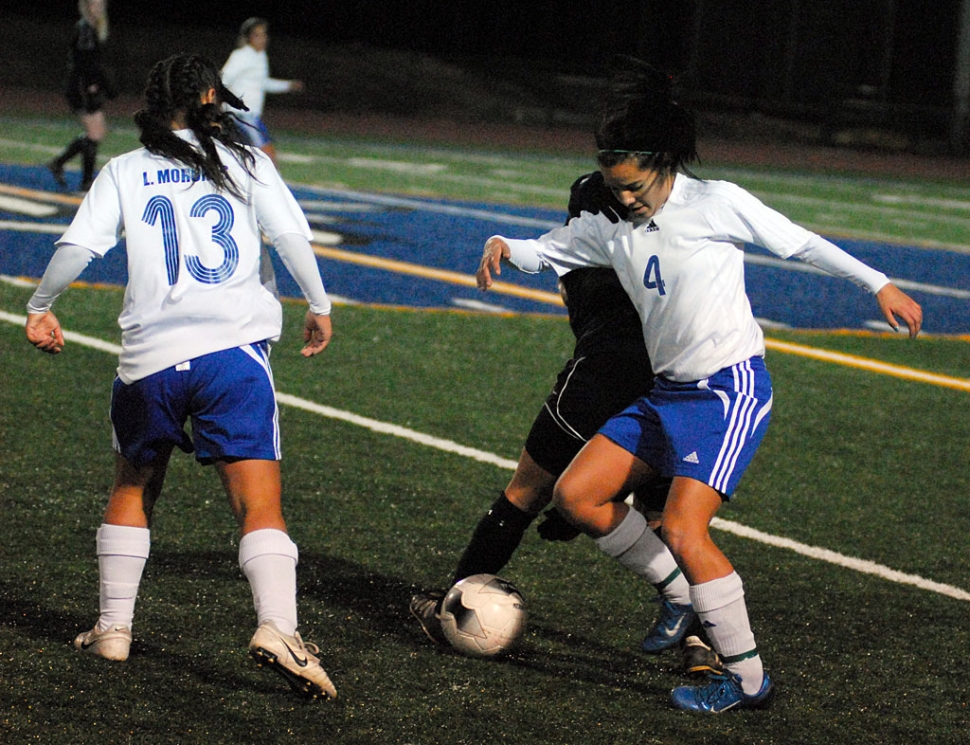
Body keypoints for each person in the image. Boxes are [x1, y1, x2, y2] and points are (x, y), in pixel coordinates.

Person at [476, 58, 922, 714]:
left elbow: (800, 245)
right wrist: (506, 246)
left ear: (663, 163)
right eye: (613, 184)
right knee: (577, 493)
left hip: (729, 392)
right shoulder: (611, 225)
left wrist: (877, 281)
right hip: (668, 394)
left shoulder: (717, 202)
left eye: (632, 184)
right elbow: (554, 248)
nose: (623, 195)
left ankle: (748, 681)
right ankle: (678, 592)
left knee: (685, 528)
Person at [25, 53, 337, 701]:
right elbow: (289, 236)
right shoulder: (246, 161)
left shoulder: (125, 169)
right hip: (232, 356)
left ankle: (114, 628)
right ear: (208, 96)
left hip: (150, 361)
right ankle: (278, 627)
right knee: (259, 505)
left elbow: (77, 248)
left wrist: (40, 307)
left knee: (133, 487)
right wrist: (319, 304)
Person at [410, 170, 722, 678]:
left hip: (602, 378)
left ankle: (453, 602)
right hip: (675, 386)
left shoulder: (583, 245)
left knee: (524, 493)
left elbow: (565, 267)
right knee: (670, 520)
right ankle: (703, 641)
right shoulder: (665, 244)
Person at [48, 0, 115, 192]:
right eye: (94, 5)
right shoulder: (85, 29)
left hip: (85, 86)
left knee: (96, 133)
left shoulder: (92, 28)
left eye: (101, 5)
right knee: (96, 133)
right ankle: (84, 181)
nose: (98, 8)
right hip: (81, 87)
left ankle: (60, 164)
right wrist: (98, 84)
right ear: (86, 7)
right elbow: (85, 63)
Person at [220, 17, 304, 165]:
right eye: (257, 35)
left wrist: (288, 85)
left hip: (250, 115)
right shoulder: (242, 56)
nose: (263, 39)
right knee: (266, 154)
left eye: (264, 34)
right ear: (248, 37)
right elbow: (223, 80)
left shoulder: (260, 56)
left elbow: (262, 83)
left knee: (255, 157)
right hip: (240, 115)